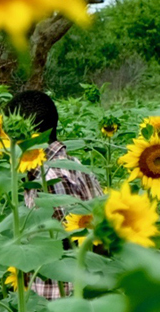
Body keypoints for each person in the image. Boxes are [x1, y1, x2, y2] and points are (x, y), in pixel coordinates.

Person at [11, 89, 102, 300]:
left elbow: (63, 245)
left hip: (59, 303)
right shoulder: (75, 165)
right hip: (87, 291)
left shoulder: (48, 179)